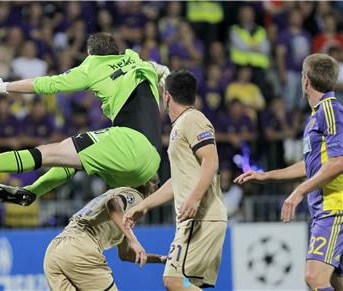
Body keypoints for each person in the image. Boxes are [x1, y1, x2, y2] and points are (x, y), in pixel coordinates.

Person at [0, 32, 169, 206]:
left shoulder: (93, 66)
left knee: (51, 152)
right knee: (75, 160)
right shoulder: (137, 60)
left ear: (91, 54)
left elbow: (47, 84)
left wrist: (4, 86)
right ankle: (32, 192)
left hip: (129, 143)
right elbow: (158, 68)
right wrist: (164, 74)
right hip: (150, 163)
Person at [235, 54, 343, 291]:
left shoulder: (330, 110)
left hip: (333, 208)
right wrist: (266, 175)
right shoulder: (317, 115)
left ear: (305, 80)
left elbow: (338, 161)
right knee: (335, 281)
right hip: (325, 208)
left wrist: (299, 191)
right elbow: (311, 164)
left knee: (315, 278)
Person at [123, 70, 228, 290]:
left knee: (174, 281)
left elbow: (211, 160)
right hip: (200, 218)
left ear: (166, 96)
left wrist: (195, 198)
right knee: (189, 285)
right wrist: (143, 206)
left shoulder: (193, 119)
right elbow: (177, 181)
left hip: (200, 218)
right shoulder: (181, 125)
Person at [44, 177, 165, 290]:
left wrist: (161, 259)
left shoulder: (121, 217)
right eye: (158, 185)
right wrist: (134, 241)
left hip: (55, 250)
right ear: (152, 186)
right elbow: (113, 204)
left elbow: (126, 255)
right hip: (80, 248)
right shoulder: (136, 197)